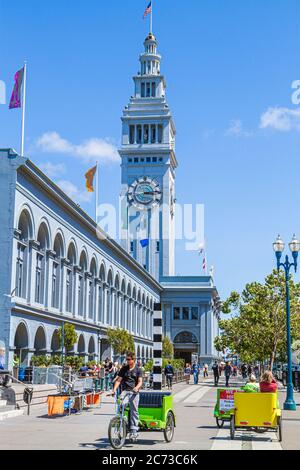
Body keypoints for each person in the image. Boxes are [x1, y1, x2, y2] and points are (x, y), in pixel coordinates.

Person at [112, 352, 143, 441]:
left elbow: (140, 381)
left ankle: (134, 431)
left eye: (129, 359)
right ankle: (123, 420)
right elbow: (118, 380)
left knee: (134, 410)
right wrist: (114, 390)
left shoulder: (138, 369)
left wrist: (136, 388)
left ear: (133, 360)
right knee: (120, 404)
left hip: (134, 392)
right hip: (125, 392)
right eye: (126, 359)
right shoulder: (124, 368)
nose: (127, 361)